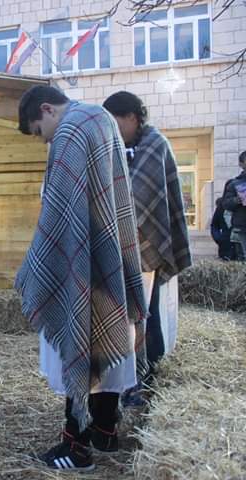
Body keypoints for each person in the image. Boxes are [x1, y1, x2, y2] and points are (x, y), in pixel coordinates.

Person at [15, 86, 146, 471]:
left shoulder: (70, 131)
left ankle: (76, 447)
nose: (44, 140)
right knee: (104, 340)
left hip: (82, 260)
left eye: (39, 131)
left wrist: (36, 265)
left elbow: (60, 212)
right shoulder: (101, 118)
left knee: (80, 338)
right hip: (108, 257)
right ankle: (105, 431)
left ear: (47, 109)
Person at [103, 92, 192, 392]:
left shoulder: (154, 144)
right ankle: (134, 376)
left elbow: (139, 198)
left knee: (146, 312)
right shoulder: (128, 147)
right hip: (128, 247)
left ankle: (149, 374)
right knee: (134, 314)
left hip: (148, 246)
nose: (114, 131)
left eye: (116, 123)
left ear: (132, 117)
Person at [222, 151, 246, 256]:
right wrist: (237, 200)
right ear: (241, 164)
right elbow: (225, 203)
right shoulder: (235, 183)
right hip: (242, 227)